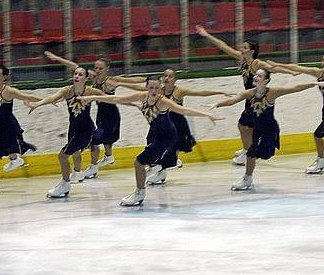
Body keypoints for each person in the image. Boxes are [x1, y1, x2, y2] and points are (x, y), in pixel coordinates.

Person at [79, 75, 223, 206]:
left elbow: (184, 110)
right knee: (144, 162)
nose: (153, 91)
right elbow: (117, 99)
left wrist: (207, 115)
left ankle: (140, 193)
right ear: (146, 87)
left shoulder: (163, 102)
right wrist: (92, 97)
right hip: (155, 134)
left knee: (139, 162)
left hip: (167, 137)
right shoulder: (142, 96)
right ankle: (155, 172)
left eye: (156, 88)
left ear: (160, 88)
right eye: (151, 87)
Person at [209, 68, 324, 190]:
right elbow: (232, 101)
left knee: (254, 153)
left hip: (269, 130)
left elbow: (294, 88)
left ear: (266, 80)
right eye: (255, 75)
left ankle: (247, 178)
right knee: (251, 153)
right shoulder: (249, 93)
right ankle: (247, 179)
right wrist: (218, 104)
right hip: (257, 129)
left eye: (259, 76)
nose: (255, 77)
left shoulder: (272, 92)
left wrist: (314, 84)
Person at [195, 25, 298, 165]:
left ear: (252, 51)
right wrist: (206, 35)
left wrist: (291, 72)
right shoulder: (243, 60)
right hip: (248, 97)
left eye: (244, 48)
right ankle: (247, 149)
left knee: (243, 125)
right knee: (246, 126)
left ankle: (247, 151)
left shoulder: (256, 63)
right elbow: (224, 47)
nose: (241, 50)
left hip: (256, 97)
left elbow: (273, 68)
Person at [45, 51, 145, 179]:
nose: (97, 70)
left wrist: (147, 83)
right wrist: (56, 58)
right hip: (100, 114)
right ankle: (107, 157)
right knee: (98, 140)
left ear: (107, 69)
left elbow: (128, 84)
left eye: (101, 68)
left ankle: (95, 165)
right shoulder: (92, 77)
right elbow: (75, 66)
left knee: (94, 139)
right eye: (96, 68)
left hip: (111, 115)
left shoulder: (110, 82)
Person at [266, 52, 324, 174]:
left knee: (317, 135)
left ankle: (320, 162)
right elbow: (297, 68)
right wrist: (278, 64)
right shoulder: (318, 73)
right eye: (323, 60)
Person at [25, 67, 104, 198]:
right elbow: (52, 97)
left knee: (62, 156)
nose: (77, 76)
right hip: (73, 128)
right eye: (75, 74)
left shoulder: (91, 91)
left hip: (85, 129)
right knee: (73, 151)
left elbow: (109, 98)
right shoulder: (67, 91)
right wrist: (37, 104)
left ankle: (65, 184)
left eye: (80, 74)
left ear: (86, 78)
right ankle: (75, 174)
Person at [145, 68, 232, 184]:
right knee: (150, 140)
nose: (167, 78)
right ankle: (158, 165)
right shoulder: (157, 90)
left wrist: (220, 92)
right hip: (161, 121)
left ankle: (163, 170)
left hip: (177, 123)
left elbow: (200, 93)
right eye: (165, 76)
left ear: (175, 80)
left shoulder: (179, 91)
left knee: (171, 148)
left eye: (170, 76)